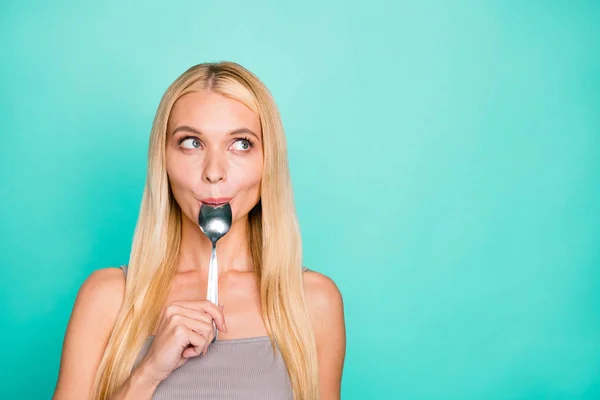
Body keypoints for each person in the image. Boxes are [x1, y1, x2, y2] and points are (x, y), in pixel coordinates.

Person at [52, 61, 346, 400]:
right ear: (162, 158)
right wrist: (148, 372)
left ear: (269, 160)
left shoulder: (312, 302)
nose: (214, 172)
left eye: (241, 143)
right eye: (192, 143)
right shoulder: (107, 298)